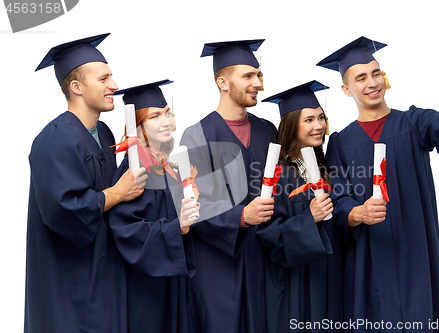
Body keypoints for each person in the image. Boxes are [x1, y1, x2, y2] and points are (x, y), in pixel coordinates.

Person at [317, 36, 439, 332]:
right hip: (367, 259)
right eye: (361, 78)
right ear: (346, 89)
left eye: (376, 73)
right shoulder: (340, 143)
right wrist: (357, 213)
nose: (372, 82)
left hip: (415, 250)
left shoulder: (412, 123)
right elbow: (339, 196)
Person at [26, 33, 147, 333]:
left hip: (106, 278)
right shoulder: (55, 139)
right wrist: (116, 194)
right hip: (71, 285)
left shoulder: (103, 134)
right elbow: (63, 211)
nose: (115, 86)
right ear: (77, 87)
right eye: (104, 79)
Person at [179, 39, 276, 333]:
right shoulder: (196, 135)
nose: (258, 83)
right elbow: (191, 207)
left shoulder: (267, 130)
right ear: (222, 82)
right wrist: (241, 217)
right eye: (248, 76)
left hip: (263, 260)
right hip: (216, 267)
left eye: (258, 75)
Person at [108, 79, 199, 333]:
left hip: (170, 278)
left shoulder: (167, 164)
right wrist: (175, 228)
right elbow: (126, 230)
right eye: (155, 116)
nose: (166, 122)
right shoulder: (134, 169)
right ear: (138, 125)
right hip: (146, 287)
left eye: (167, 113)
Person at [256, 80, 345, 332]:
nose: (318, 126)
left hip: (332, 275)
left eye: (321, 118)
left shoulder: (328, 167)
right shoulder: (278, 174)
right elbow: (268, 233)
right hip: (298, 282)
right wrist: (310, 218)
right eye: (308, 120)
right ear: (291, 124)